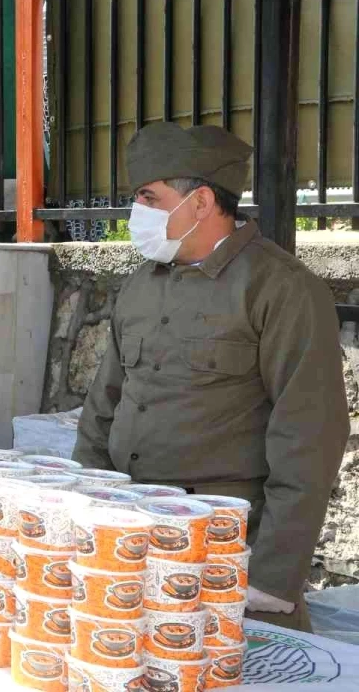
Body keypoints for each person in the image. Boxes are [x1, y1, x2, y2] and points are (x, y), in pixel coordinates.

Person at [73, 121, 348, 633]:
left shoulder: (281, 289)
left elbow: (309, 437)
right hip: (130, 538)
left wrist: (272, 574)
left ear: (199, 203)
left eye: (148, 198)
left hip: (223, 553)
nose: (137, 214)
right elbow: (102, 408)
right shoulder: (141, 284)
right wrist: (83, 505)